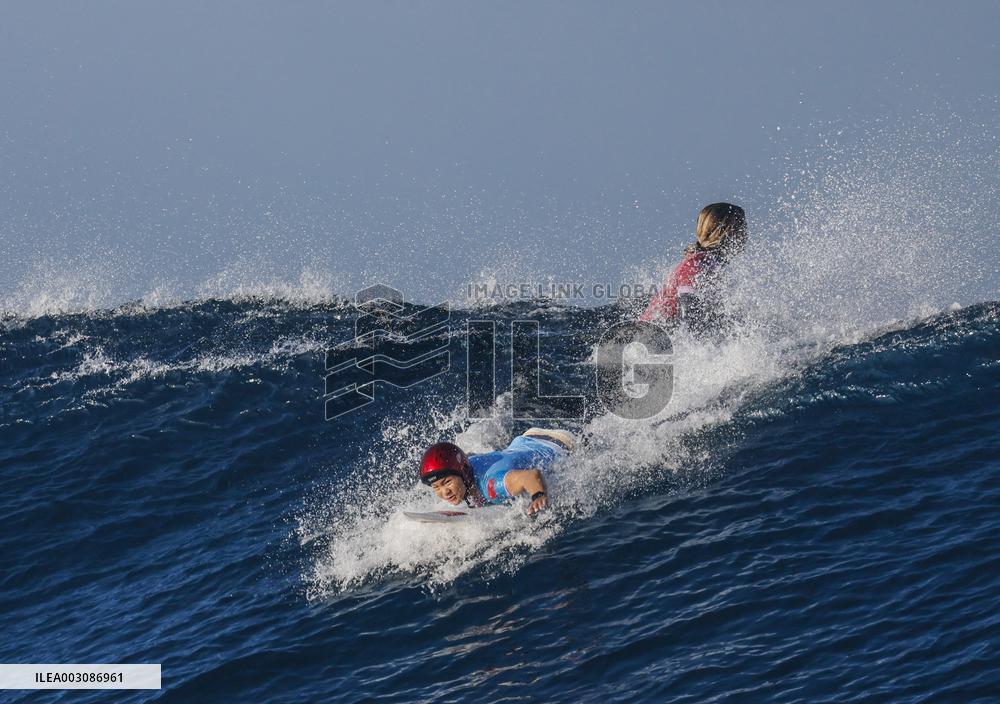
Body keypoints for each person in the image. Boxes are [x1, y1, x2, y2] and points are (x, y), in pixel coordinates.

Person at [640, 202, 748, 330]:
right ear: (727, 231)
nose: (746, 234)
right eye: (742, 227)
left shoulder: (712, 264)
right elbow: (689, 318)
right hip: (649, 339)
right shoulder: (698, 262)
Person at [418, 428, 574, 515]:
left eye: (447, 482)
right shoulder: (466, 464)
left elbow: (531, 476)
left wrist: (538, 496)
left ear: (464, 473)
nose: (445, 492)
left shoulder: (492, 484)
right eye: (436, 487)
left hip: (560, 444)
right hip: (525, 439)